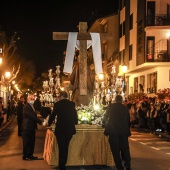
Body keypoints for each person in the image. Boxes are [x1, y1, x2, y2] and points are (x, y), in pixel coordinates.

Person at [48, 91, 78, 170]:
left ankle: (61, 165)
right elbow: (75, 114)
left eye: (58, 96)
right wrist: (75, 122)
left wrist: (49, 123)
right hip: (69, 128)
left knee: (61, 147)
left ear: (61, 96)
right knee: (66, 146)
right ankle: (63, 163)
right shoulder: (72, 104)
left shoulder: (57, 104)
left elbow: (53, 115)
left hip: (60, 128)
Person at [103, 95, 131, 170]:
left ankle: (119, 166)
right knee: (125, 148)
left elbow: (105, 116)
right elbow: (128, 120)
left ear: (115, 100)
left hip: (113, 130)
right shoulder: (125, 108)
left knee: (115, 150)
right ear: (121, 100)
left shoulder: (111, 106)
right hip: (123, 131)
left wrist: (104, 123)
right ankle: (128, 163)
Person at [22, 93, 42, 160]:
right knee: (26, 142)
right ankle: (25, 155)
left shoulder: (32, 106)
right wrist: (41, 122)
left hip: (32, 127)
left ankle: (30, 155)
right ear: (28, 99)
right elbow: (32, 116)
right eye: (31, 99)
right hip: (27, 127)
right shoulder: (26, 106)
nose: (33, 100)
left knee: (32, 142)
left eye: (33, 98)